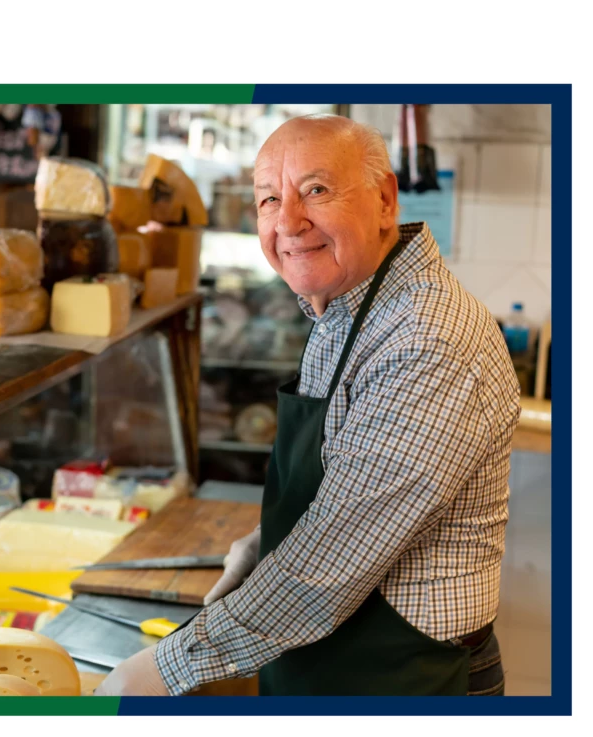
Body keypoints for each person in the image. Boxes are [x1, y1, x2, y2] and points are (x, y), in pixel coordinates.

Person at [95, 113, 521, 697]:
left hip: (409, 682)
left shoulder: (428, 338)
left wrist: (163, 670)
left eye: (316, 191)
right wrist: (267, 537)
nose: (289, 223)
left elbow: (328, 567)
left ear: (384, 200)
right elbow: (345, 477)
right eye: (269, 199)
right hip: (336, 665)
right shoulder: (348, 301)